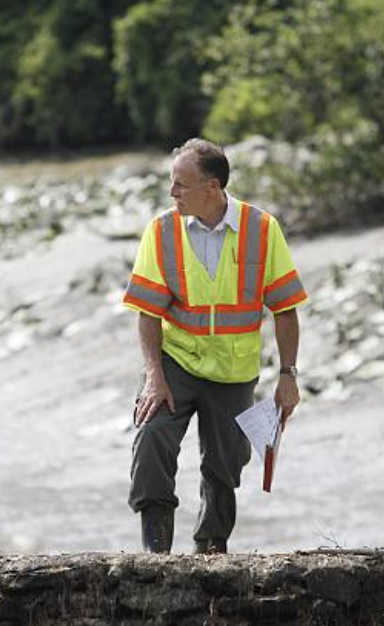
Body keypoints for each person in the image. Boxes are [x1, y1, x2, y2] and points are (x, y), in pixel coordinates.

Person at [122, 138, 309, 554]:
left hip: (233, 370)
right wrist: (155, 377)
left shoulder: (262, 229)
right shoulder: (161, 230)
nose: (172, 194)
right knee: (151, 437)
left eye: (181, 185)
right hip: (176, 359)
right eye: (172, 184)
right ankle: (156, 555)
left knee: (225, 466)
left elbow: (285, 309)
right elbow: (147, 312)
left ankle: (211, 550)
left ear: (213, 187)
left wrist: (288, 377)